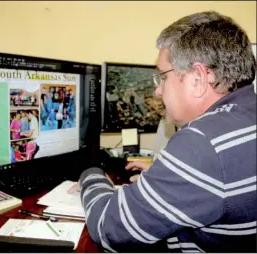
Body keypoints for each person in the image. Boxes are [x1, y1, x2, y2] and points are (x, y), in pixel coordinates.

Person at [69, 11, 257, 252]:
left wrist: (91, 174)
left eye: (162, 77)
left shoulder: (202, 142)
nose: (158, 91)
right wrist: (171, 173)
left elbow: (109, 229)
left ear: (198, 78)